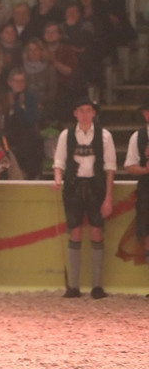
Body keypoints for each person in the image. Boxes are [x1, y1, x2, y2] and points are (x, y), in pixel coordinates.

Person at [53, 98, 116, 299]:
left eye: (88, 111)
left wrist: (108, 197)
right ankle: (73, 286)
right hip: (73, 185)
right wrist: (57, 179)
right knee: (75, 231)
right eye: (81, 111)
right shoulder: (67, 135)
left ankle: (97, 286)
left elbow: (110, 168)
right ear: (75, 113)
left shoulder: (104, 135)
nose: (85, 114)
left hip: (96, 186)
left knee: (97, 232)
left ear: (94, 113)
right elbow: (59, 161)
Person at [123, 102, 149, 274]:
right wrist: (146, 170)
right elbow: (130, 166)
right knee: (145, 234)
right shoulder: (138, 137)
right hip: (146, 189)